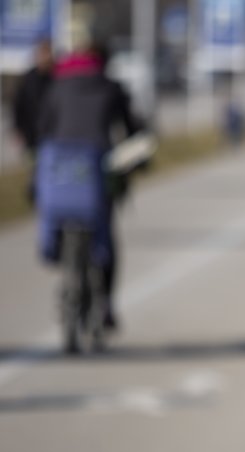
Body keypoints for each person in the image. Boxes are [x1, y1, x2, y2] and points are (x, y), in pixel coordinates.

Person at [37, 41, 143, 330]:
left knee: (57, 216)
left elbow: (42, 129)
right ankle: (106, 302)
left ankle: (65, 265)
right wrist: (138, 158)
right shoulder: (110, 87)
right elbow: (132, 129)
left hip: (57, 169)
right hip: (95, 168)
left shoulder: (56, 86)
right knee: (105, 234)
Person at [12, 39, 54, 204]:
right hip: (31, 133)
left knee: (49, 166)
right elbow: (18, 106)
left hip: (51, 132)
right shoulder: (28, 79)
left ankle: (46, 193)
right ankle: (35, 192)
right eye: (42, 54)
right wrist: (18, 129)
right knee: (34, 165)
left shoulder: (56, 77)